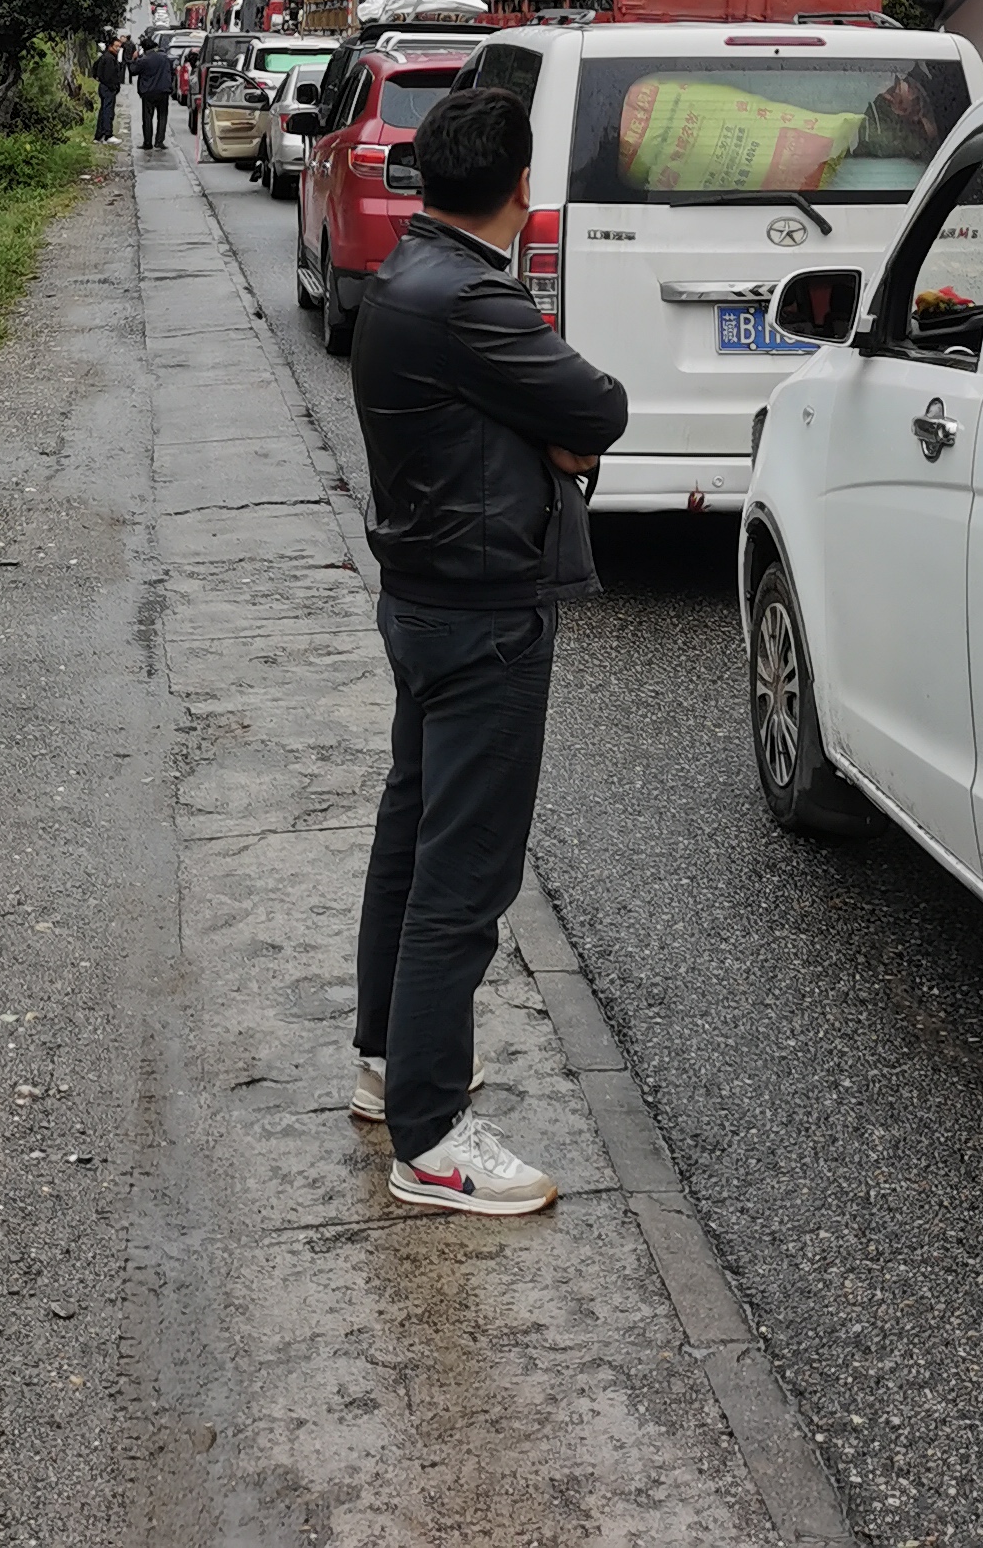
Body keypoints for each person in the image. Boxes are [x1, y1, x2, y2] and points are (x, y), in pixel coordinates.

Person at [348, 87, 628, 1216]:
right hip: (483, 614)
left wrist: (536, 430)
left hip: (425, 601)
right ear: (522, 186)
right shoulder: (472, 304)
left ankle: (386, 1063)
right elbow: (598, 409)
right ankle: (431, 1139)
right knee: (463, 877)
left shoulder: (403, 278)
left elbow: (550, 420)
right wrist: (550, 438)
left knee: (411, 839)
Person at [133, 31, 176, 150]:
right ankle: (159, 141)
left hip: (148, 92)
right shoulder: (165, 58)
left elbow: (133, 71)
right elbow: (171, 73)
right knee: (162, 117)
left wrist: (134, 58)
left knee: (147, 118)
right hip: (163, 91)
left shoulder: (143, 60)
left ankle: (147, 143)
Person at [91, 34, 126, 145]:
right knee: (108, 111)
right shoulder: (109, 59)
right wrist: (114, 87)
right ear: (110, 46)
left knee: (103, 111)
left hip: (104, 87)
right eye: (116, 46)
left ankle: (99, 135)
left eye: (119, 47)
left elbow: (95, 68)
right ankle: (108, 135)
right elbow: (110, 76)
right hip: (108, 88)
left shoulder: (104, 57)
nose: (118, 49)